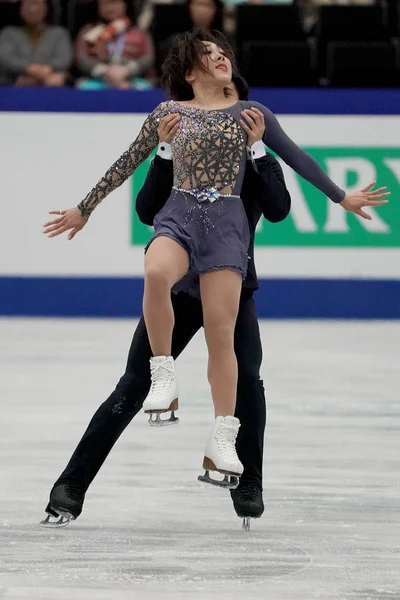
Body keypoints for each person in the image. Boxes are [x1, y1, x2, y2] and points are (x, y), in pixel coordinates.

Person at [42, 28, 389, 488]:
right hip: (180, 215)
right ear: (189, 72)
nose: (221, 58)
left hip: (226, 229)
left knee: (226, 344)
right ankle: (162, 375)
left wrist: (341, 196)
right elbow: (125, 162)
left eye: (223, 52)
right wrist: (84, 208)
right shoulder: (169, 114)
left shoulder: (252, 115)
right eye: (208, 55)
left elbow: (299, 161)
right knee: (154, 271)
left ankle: (223, 441)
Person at [41, 73, 291, 530]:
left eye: (233, 96)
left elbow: (278, 209)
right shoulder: (181, 142)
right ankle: (71, 484)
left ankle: (248, 481)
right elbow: (146, 210)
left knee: (248, 380)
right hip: (177, 290)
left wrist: (259, 151)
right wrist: (164, 151)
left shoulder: (250, 147)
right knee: (134, 385)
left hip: (231, 286)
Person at [75, 0, 155, 90]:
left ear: (125, 5)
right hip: (98, 80)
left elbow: (148, 58)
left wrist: (127, 70)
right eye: (105, 4)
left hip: (133, 79)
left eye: (114, 3)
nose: (110, 8)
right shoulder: (88, 31)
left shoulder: (140, 32)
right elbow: (81, 58)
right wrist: (106, 71)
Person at [0, 0, 72, 87]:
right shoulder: (8, 33)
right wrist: (27, 68)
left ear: (46, 8)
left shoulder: (59, 33)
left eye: (36, 4)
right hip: (14, 81)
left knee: (59, 79)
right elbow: (5, 58)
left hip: (50, 81)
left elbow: (64, 59)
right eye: (28, 5)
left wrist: (47, 69)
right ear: (20, 9)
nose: (32, 9)